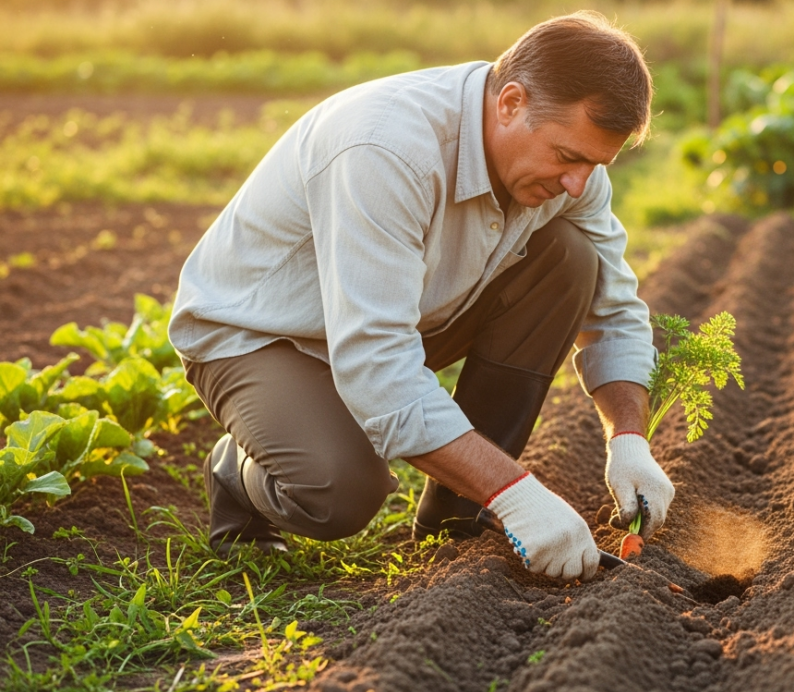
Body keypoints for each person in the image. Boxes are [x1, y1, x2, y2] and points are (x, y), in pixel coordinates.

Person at [168, 12, 676, 581]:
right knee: (340, 491)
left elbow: (615, 310)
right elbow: (377, 364)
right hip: (261, 334)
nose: (579, 183)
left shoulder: (571, 172)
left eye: (595, 164)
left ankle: (458, 511)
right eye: (566, 157)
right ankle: (237, 476)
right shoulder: (386, 149)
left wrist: (629, 439)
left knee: (572, 257)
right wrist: (517, 492)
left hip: (408, 313)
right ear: (510, 102)